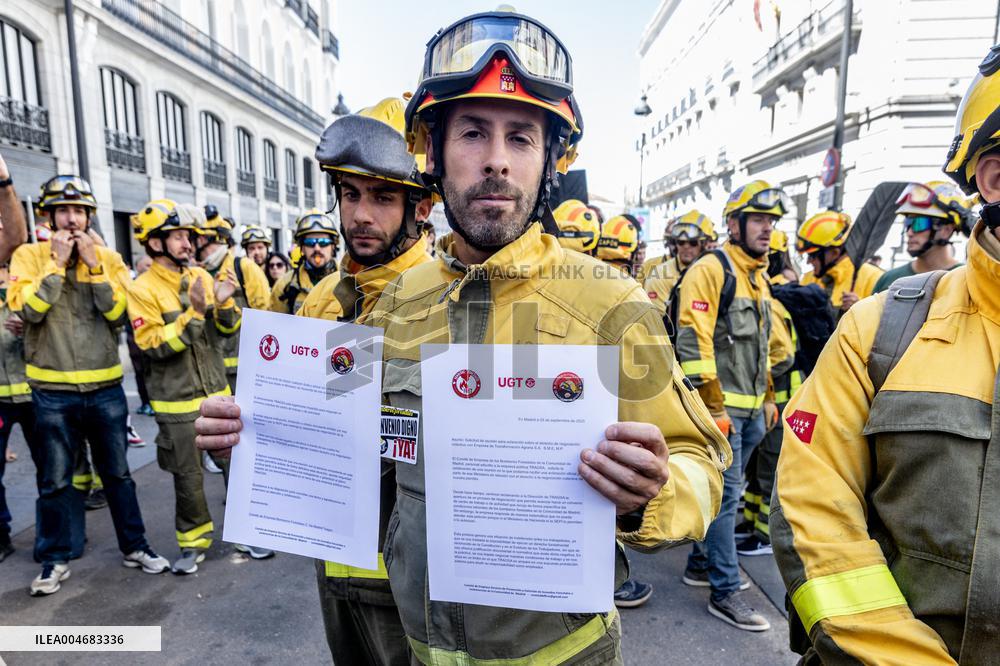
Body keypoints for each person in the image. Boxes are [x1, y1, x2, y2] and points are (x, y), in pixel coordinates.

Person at [198, 9, 730, 663]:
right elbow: (344, 453)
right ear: (434, 151)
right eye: (473, 132)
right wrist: (252, 445)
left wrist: (651, 493)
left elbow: (702, 465)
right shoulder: (399, 301)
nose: (496, 161)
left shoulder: (610, 302)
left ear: (550, 160)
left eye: (522, 138)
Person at [771, 44, 1000, 663]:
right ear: (993, 178)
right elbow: (813, 507)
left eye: (919, 223)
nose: (911, 232)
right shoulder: (887, 315)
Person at [295, 95, 435, 666]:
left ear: (421, 206)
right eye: (350, 194)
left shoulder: (449, 299)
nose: (359, 215)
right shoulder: (321, 299)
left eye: (381, 196)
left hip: (410, 582)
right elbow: (299, 420)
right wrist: (244, 433)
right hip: (333, 562)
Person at [9, 175, 169, 595]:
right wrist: (56, 266)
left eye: (79, 211)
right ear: (48, 216)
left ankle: (135, 546)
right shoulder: (29, 256)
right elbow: (29, 311)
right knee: (55, 481)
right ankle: (54, 560)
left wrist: (96, 268)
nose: (72, 219)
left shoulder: (109, 259)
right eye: (63, 211)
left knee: (118, 475)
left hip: (105, 389)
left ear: (89, 216)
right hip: (52, 392)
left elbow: (118, 315)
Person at [674, 179, 791, 632]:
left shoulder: (757, 276)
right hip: (722, 414)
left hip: (752, 412)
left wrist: (768, 398)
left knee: (724, 495)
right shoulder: (711, 269)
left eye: (772, 221)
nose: (767, 229)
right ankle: (725, 590)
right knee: (727, 500)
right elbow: (693, 342)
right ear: (735, 224)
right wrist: (716, 409)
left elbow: (764, 347)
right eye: (758, 219)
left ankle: (700, 564)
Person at [127, 200, 241, 574]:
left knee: (237, 467)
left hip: (217, 394)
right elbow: (152, 346)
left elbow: (227, 332)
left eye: (188, 236)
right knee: (188, 479)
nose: (187, 243)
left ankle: (247, 533)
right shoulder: (141, 289)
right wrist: (194, 314)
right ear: (154, 242)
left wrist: (225, 304)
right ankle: (193, 544)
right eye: (177, 236)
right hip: (176, 404)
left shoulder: (201, 276)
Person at [197, 208, 270, 393]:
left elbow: (265, 317)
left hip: (243, 370)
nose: (190, 244)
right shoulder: (196, 273)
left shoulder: (243, 267)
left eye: (195, 238)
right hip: (209, 371)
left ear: (207, 240)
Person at [0, 150, 31, 562]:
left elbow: (15, 235)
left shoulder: (20, 269)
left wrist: (5, 183)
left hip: (34, 388)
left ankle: (56, 543)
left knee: (54, 473)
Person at [872, 181, 972, 293]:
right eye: (908, 223)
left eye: (919, 223)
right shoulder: (888, 280)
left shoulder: (968, 281)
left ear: (946, 230)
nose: (909, 232)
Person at [797, 210, 883, 313]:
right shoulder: (808, 278)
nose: (808, 262)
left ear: (835, 252)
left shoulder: (874, 278)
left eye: (812, 256)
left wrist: (861, 310)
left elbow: (886, 319)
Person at [643, 210, 714, 314]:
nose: (686, 247)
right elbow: (657, 319)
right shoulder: (660, 275)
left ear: (705, 243)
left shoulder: (717, 271)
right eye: (681, 242)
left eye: (693, 243)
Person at [269, 211, 339, 314]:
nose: (317, 248)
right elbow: (274, 322)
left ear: (333, 246)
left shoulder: (350, 281)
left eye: (323, 242)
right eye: (309, 243)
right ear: (302, 248)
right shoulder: (284, 286)